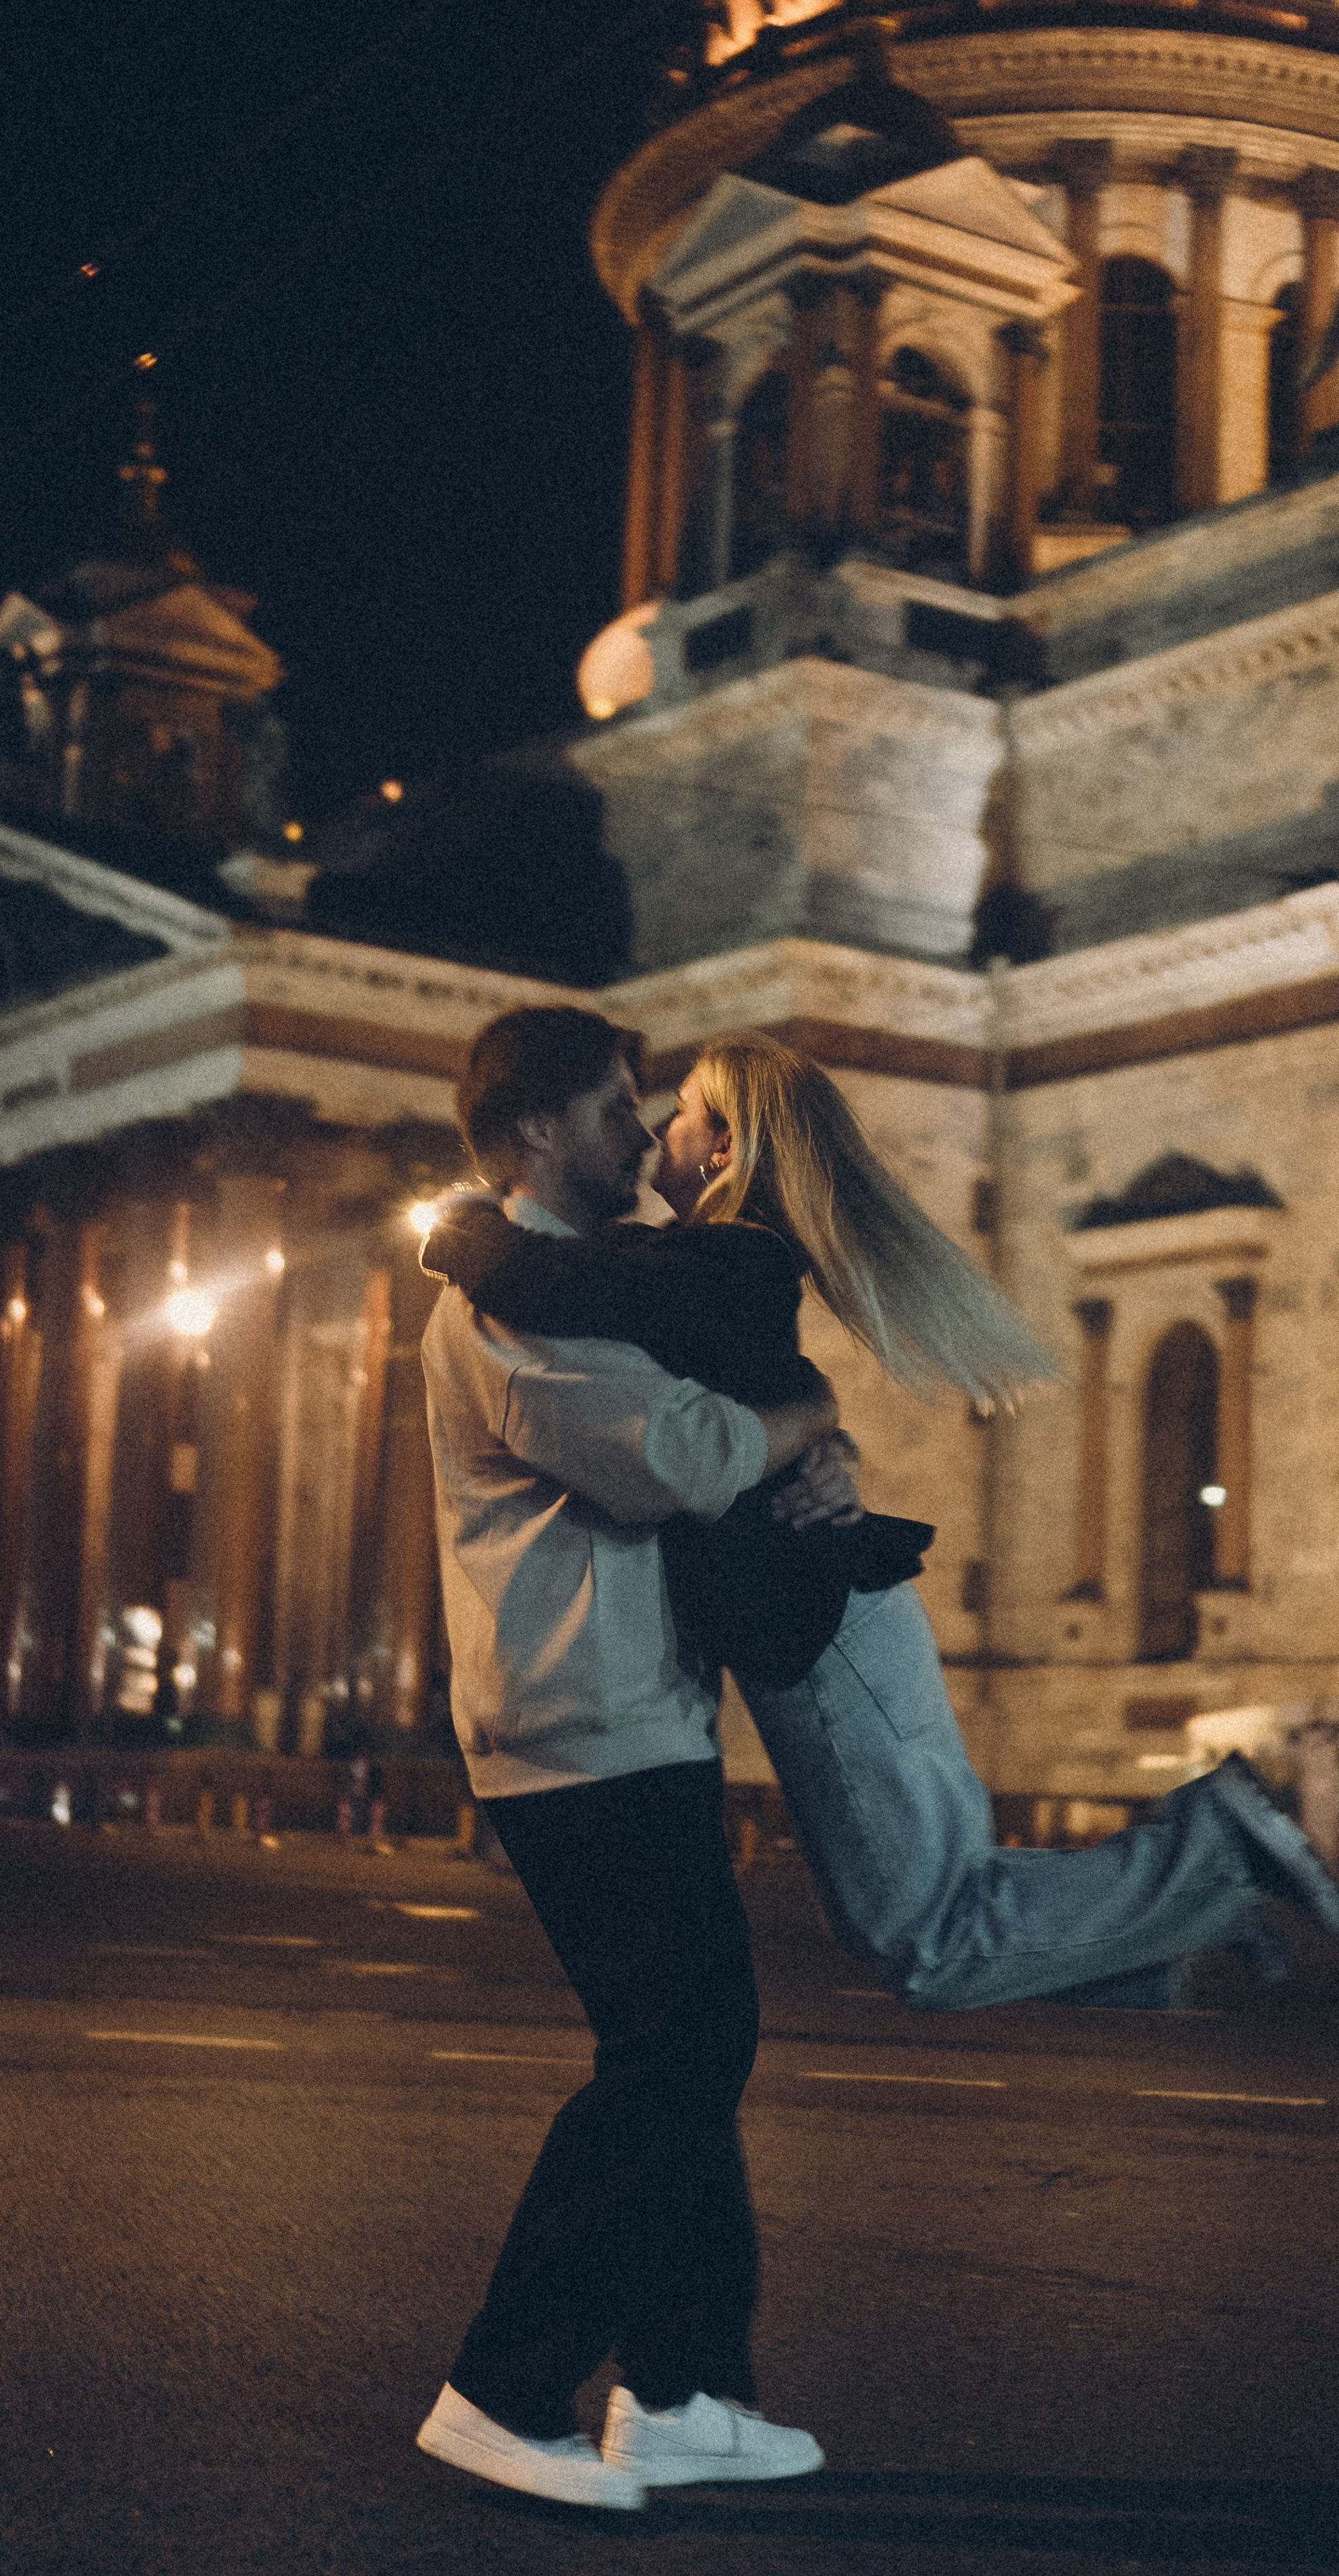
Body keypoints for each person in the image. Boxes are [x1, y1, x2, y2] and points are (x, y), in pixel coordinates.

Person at [424, 1029, 1339, 2016]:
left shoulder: (724, 1258)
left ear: (727, 1146)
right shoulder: (710, 1262)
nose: (653, 1135)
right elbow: (670, 1342)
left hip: (829, 1632)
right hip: (821, 1625)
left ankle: (1220, 1854)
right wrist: (820, 1423)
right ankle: (1195, 1907)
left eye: (677, 1112)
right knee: (920, 1928)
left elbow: (564, 1287)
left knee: (927, 1941)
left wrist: (467, 1230)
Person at [412, 1006, 841, 2512]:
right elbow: (686, 1455)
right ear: (536, 1130)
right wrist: (811, 1414)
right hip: (578, 1728)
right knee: (675, 2053)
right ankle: (501, 2388)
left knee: (686, 2052)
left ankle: (683, 2394)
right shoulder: (511, 1310)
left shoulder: (579, 1282)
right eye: (614, 1107)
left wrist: (807, 1440)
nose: (643, 1131)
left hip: (627, 1710)